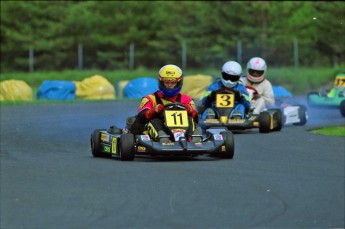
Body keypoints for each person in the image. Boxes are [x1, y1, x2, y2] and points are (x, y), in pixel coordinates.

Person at [130, 64, 201, 143]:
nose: (169, 85)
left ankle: (191, 139)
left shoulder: (187, 99)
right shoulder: (150, 98)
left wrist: (191, 111)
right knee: (155, 121)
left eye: (173, 82)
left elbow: (196, 119)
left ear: (179, 83)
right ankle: (163, 138)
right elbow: (140, 117)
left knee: (190, 119)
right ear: (161, 82)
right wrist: (154, 111)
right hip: (160, 129)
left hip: (183, 131)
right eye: (166, 82)